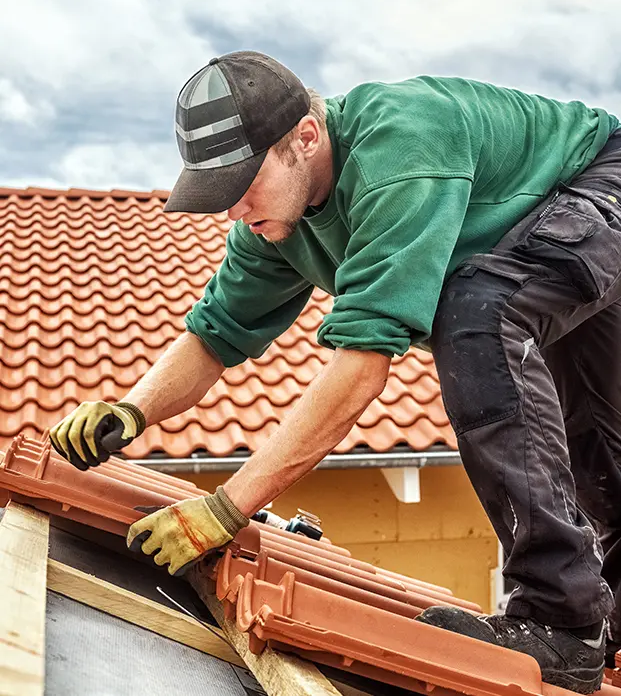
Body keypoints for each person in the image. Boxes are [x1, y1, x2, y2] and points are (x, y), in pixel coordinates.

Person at [49, 50, 621, 693]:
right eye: (220, 194)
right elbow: (213, 336)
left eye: (243, 182)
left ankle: (560, 617)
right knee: (596, 426)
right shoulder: (275, 223)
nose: (234, 210)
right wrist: (132, 409)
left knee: (476, 316)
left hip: (600, 180)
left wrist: (225, 508)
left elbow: (360, 372)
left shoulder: (401, 144)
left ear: (307, 136)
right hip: (547, 230)